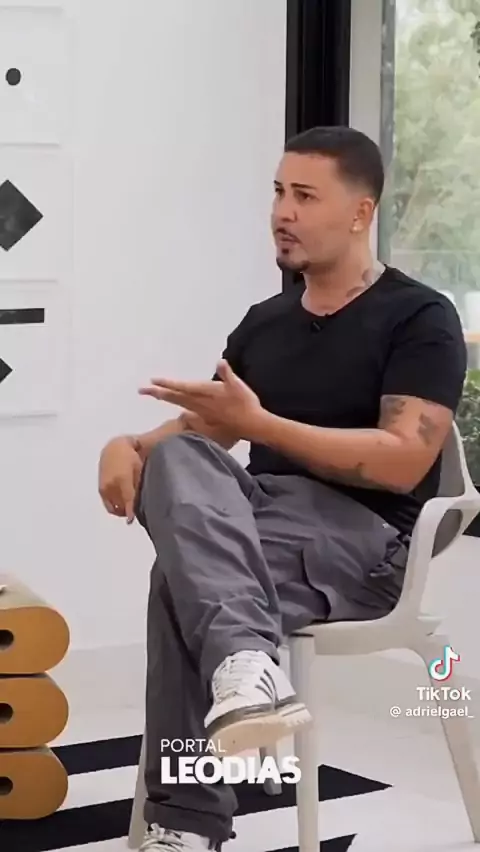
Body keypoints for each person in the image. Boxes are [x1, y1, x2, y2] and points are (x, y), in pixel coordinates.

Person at [98, 126, 467, 852]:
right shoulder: (264, 325)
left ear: (360, 213)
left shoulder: (419, 317)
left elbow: (402, 462)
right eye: (277, 192)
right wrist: (127, 447)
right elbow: (199, 435)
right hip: (261, 524)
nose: (282, 213)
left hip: (367, 541)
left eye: (304, 196)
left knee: (180, 579)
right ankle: (246, 667)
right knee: (181, 463)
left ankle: (185, 823)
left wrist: (262, 425)